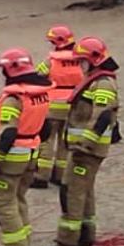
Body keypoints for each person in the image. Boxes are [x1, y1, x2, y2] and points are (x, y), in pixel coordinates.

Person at [47, 36, 120, 246]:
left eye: (82, 61)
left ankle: (66, 241)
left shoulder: (103, 83)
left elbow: (102, 116)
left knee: (72, 190)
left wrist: (85, 144)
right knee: (85, 190)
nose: (79, 65)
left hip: (87, 150)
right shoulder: (94, 80)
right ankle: (86, 234)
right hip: (83, 147)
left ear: (93, 60)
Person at [0, 48, 52, 246]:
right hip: (31, 153)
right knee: (18, 199)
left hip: (12, 158)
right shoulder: (40, 93)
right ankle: (23, 241)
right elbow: (45, 128)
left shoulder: (13, 98)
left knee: (3, 202)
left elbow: (8, 134)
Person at [32, 25, 85, 190]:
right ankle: (60, 175)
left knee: (47, 140)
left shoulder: (52, 61)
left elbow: (37, 75)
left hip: (52, 106)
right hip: (72, 106)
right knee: (64, 143)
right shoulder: (81, 60)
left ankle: (42, 175)